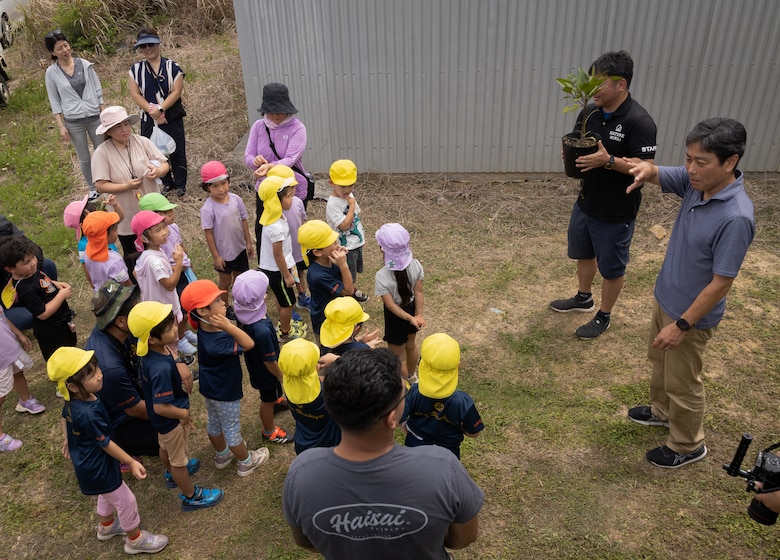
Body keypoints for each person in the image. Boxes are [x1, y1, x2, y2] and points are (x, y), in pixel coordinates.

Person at [626, 118, 754, 468]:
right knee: (660, 364)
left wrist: (681, 325)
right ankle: (662, 411)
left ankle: (687, 445)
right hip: (666, 297)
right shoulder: (696, 184)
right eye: (688, 159)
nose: (690, 169)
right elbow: (653, 173)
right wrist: (631, 167)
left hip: (689, 319)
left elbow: (721, 283)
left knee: (683, 382)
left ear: (730, 162)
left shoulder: (735, 217)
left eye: (701, 162)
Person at [283, 348, 484, 558]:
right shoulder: (443, 467)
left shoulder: (301, 474)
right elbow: (464, 538)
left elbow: (308, 543)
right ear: (391, 419)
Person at [549, 50, 657, 340]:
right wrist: (569, 153)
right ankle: (584, 298)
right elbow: (578, 139)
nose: (591, 89)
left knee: (611, 267)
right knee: (584, 252)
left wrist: (608, 161)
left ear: (620, 85)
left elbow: (646, 168)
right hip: (586, 201)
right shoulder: (590, 112)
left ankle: (604, 315)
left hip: (616, 209)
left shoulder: (639, 122)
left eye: (598, 83)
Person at [47, 347, 168, 554]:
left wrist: (68, 440)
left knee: (107, 493)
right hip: (98, 465)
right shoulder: (88, 413)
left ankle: (107, 526)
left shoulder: (74, 401)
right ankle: (135, 540)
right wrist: (130, 461)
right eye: (93, 375)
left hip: (91, 463)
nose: (100, 374)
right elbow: (105, 443)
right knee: (125, 499)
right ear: (73, 386)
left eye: (97, 369)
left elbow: (64, 416)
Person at [128, 301, 223, 510]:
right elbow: (161, 406)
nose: (175, 328)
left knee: (164, 447)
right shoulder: (160, 368)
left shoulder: (148, 352)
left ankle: (171, 473)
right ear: (151, 338)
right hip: (170, 420)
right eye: (170, 327)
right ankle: (191, 495)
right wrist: (183, 414)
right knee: (179, 460)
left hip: (161, 424)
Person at [180, 279, 270, 475]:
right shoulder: (217, 342)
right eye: (218, 301)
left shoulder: (206, 330)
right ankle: (246, 461)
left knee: (214, 422)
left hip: (211, 388)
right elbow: (248, 344)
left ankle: (222, 455)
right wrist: (229, 327)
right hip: (225, 391)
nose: (224, 303)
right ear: (203, 312)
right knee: (231, 430)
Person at [85, 280, 165, 459]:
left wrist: (178, 362)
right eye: (135, 309)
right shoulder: (109, 367)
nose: (141, 310)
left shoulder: (120, 330)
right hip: (120, 419)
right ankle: (121, 448)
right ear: (121, 321)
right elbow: (134, 409)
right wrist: (171, 412)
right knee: (170, 429)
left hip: (134, 391)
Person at [91, 105, 170, 274]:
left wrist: (158, 171)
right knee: (134, 255)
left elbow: (164, 164)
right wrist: (126, 186)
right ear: (109, 131)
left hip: (152, 209)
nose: (124, 129)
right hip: (126, 213)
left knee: (161, 246)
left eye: (126, 124)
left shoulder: (142, 141)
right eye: (118, 127)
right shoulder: (102, 153)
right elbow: (100, 184)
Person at [244, 82, 310, 259]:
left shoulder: (298, 128)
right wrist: (256, 161)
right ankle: (266, 265)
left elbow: (290, 159)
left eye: (280, 111)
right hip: (266, 188)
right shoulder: (258, 126)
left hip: (291, 188)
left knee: (293, 227)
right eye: (271, 112)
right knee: (264, 227)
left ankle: (297, 263)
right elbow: (248, 155)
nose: (275, 116)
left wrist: (269, 166)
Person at [231, 270, 292, 444]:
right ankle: (269, 431)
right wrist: (281, 376)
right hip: (267, 373)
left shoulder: (242, 312)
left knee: (272, 395)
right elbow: (269, 361)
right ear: (262, 298)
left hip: (255, 365)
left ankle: (277, 400)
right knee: (267, 399)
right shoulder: (262, 331)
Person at [402, 333, 484, 459]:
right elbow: (474, 432)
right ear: (458, 365)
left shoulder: (412, 393)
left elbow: (398, 418)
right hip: (447, 456)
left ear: (422, 364)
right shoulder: (463, 402)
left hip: (414, 450)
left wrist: (407, 426)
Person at [44, 30, 105, 200]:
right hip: (73, 122)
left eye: (65, 45)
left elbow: (98, 89)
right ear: (52, 53)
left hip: (94, 117)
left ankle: (106, 183)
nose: (64, 50)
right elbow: (54, 100)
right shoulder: (51, 73)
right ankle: (93, 188)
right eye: (59, 48)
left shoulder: (84, 64)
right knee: (84, 157)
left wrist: (103, 112)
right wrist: (61, 125)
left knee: (102, 151)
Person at [129, 27, 187, 196]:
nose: (148, 49)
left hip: (171, 116)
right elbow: (135, 93)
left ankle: (181, 183)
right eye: (143, 46)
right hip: (148, 118)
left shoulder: (172, 67)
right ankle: (166, 182)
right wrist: (151, 110)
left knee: (177, 150)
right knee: (153, 152)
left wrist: (161, 109)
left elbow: (176, 91)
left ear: (158, 43)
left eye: (151, 44)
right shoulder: (136, 70)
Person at [131, 210, 195, 356]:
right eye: (158, 230)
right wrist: (178, 263)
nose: (165, 232)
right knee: (168, 342)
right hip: (163, 308)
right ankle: (176, 362)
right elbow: (170, 284)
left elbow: (136, 273)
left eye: (164, 226)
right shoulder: (156, 261)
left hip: (152, 305)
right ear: (145, 238)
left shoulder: (146, 256)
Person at [0, 235, 75, 360]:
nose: (33, 263)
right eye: (26, 262)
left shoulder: (30, 273)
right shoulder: (25, 290)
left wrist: (55, 284)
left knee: (71, 346)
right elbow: (43, 314)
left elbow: (42, 280)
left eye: (33, 257)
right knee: (62, 356)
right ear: (10, 269)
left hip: (60, 320)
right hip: (52, 329)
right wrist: (61, 295)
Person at [199, 160, 254, 321]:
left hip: (240, 248)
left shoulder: (236, 199)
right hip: (224, 253)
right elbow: (208, 234)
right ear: (207, 187)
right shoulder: (208, 209)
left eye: (223, 183)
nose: (221, 189)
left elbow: (244, 221)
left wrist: (249, 242)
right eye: (215, 186)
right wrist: (216, 256)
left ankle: (241, 301)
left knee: (240, 277)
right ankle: (225, 306)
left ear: (228, 181)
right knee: (225, 282)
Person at [257, 175, 307, 341]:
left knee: (282, 298)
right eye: (288, 196)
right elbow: (277, 254)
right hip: (278, 271)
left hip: (281, 267)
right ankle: (285, 332)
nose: (292, 199)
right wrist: (286, 275)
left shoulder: (277, 218)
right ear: (275, 201)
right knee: (288, 302)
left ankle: (283, 322)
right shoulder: (275, 226)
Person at [374, 223, 425, 379]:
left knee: (398, 357)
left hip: (396, 317)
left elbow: (390, 305)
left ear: (382, 249)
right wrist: (417, 315)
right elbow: (418, 292)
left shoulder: (381, 276)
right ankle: (412, 376)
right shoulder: (416, 265)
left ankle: (406, 384)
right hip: (411, 311)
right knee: (411, 346)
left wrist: (410, 318)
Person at [278, 338, 341, 455]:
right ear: (317, 367)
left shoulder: (289, 383)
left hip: (303, 445)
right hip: (329, 443)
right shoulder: (328, 392)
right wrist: (339, 360)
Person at [297, 220, 358, 339]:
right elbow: (348, 291)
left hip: (337, 314)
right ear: (317, 252)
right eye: (333, 243)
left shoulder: (330, 259)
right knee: (331, 352)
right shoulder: (318, 275)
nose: (337, 244)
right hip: (325, 322)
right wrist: (343, 265)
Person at [0, 215, 58, 331]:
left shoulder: (3, 225)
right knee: (29, 317)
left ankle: (48, 300)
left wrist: (28, 273)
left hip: (23, 278)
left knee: (48, 265)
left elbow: (35, 250)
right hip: (6, 299)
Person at [0, 303, 44, 451]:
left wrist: (19, 335)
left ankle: (25, 400)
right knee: (1, 396)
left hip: (9, 348)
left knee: (18, 372)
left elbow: (4, 318)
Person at [268, 164, 311, 312]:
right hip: (284, 252)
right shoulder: (273, 211)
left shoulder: (298, 202)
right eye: (288, 193)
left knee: (299, 272)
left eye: (292, 191)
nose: (292, 195)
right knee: (285, 279)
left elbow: (302, 221)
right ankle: (289, 308)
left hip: (298, 248)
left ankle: (302, 296)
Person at [325, 159, 369, 302]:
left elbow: (356, 219)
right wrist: (351, 205)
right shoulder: (333, 204)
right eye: (343, 186)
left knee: (353, 271)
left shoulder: (349, 197)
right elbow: (344, 225)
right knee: (345, 273)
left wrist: (361, 239)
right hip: (344, 247)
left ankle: (351, 291)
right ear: (331, 183)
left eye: (351, 185)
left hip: (354, 243)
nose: (347, 190)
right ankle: (346, 296)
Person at [138, 192, 196, 297]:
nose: (171, 214)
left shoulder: (173, 227)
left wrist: (187, 262)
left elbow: (180, 245)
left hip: (184, 268)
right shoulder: (156, 241)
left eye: (171, 210)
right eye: (165, 212)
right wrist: (179, 266)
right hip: (173, 274)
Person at [63, 194, 125, 288]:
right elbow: (86, 269)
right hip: (108, 284)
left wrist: (115, 205)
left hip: (116, 271)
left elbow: (119, 218)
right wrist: (93, 285)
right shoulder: (83, 245)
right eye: (93, 212)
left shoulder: (102, 226)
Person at [82, 210, 132, 292]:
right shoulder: (115, 262)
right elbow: (127, 284)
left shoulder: (87, 251)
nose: (117, 232)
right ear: (104, 236)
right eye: (115, 230)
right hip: (118, 298)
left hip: (100, 296)